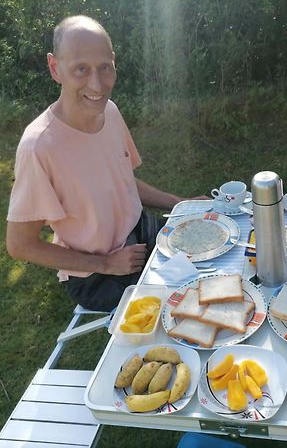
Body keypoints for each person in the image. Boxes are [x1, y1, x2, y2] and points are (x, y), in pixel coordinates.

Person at [6, 15, 207, 312]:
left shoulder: (109, 112)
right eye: (81, 70)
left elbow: (122, 180)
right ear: (54, 68)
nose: (97, 84)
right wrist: (106, 263)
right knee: (189, 306)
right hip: (99, 275)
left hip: (142, 233)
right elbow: (20, 245)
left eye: (104, 68)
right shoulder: (38, 147)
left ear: (113, 62)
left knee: (212, 257)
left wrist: (183, 204)